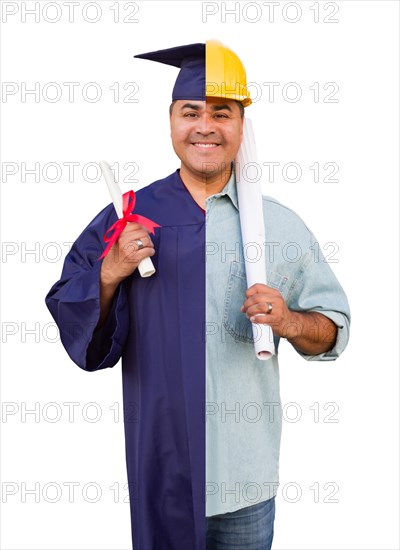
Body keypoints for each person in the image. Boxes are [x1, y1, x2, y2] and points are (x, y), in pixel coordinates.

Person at [46, 40, 350, 550]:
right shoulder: (128, 216)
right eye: (191, 112)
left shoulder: (277, 224)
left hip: (244, 481)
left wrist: (291, 323)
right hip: (162, 469)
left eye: (222, 113)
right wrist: (110, 272)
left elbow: (334, 328)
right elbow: (69, 306)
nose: (205, 126)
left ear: (240, 126)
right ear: (171, 123)